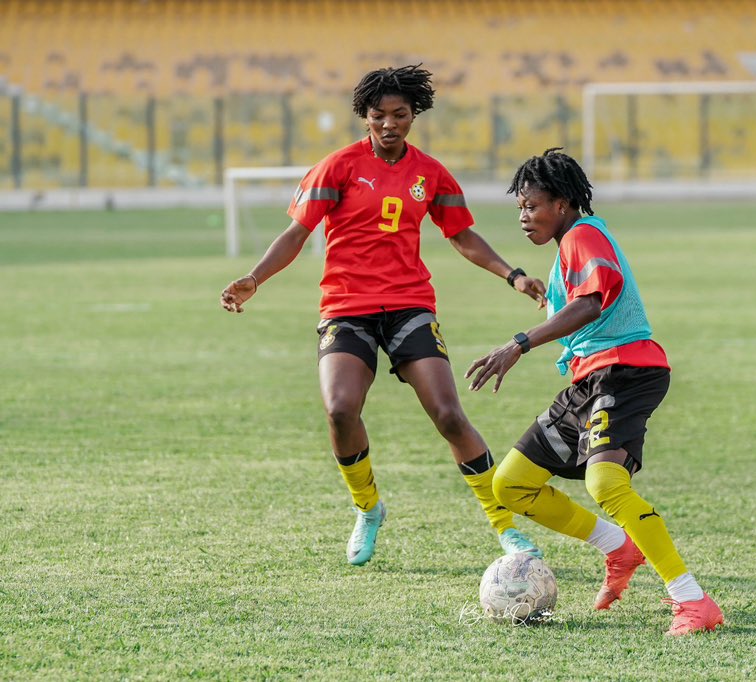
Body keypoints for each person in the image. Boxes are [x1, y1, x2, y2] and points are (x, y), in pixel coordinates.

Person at [220, 65, 545, 567]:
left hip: (410, 305)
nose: (389, 123)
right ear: (364, 117)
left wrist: (513, 275)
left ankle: (504, 528)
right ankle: (368, 509)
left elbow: (461, 236)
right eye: (378, 115)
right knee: (340, 409)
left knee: (449, 414)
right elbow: (296, 234)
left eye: (399, 114)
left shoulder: (431, 174)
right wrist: (254, 278)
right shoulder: (338, 167)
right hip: (347, 308)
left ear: (414, 115)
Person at [465, 148, 724, 636]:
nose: (523, 216)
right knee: (511, 485)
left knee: (605, 485)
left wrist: (518, 344)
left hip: (626, 371)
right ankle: (618, 547)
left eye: (532, 205)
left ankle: (693, 602)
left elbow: (591, 303)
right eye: (519, 207)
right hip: (590, 380)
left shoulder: (584, 234)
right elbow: (577, 301)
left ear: (562, 204)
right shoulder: (569, 247)